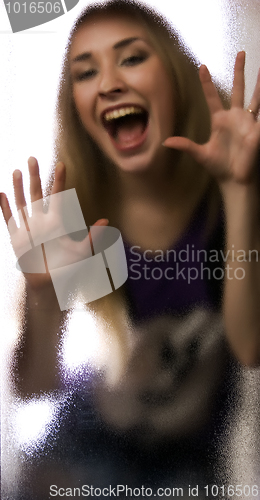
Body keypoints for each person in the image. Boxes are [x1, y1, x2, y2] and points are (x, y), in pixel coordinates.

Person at [1, 0, 260, 497]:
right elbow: (34, 385)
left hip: (187, 459)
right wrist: (42, 295)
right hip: (87, 434)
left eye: (131, 57)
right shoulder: (84, 203)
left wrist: (241, 194)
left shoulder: (225, 190)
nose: (108, 82)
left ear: (176, 78)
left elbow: (249, 346)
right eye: (85, 71)